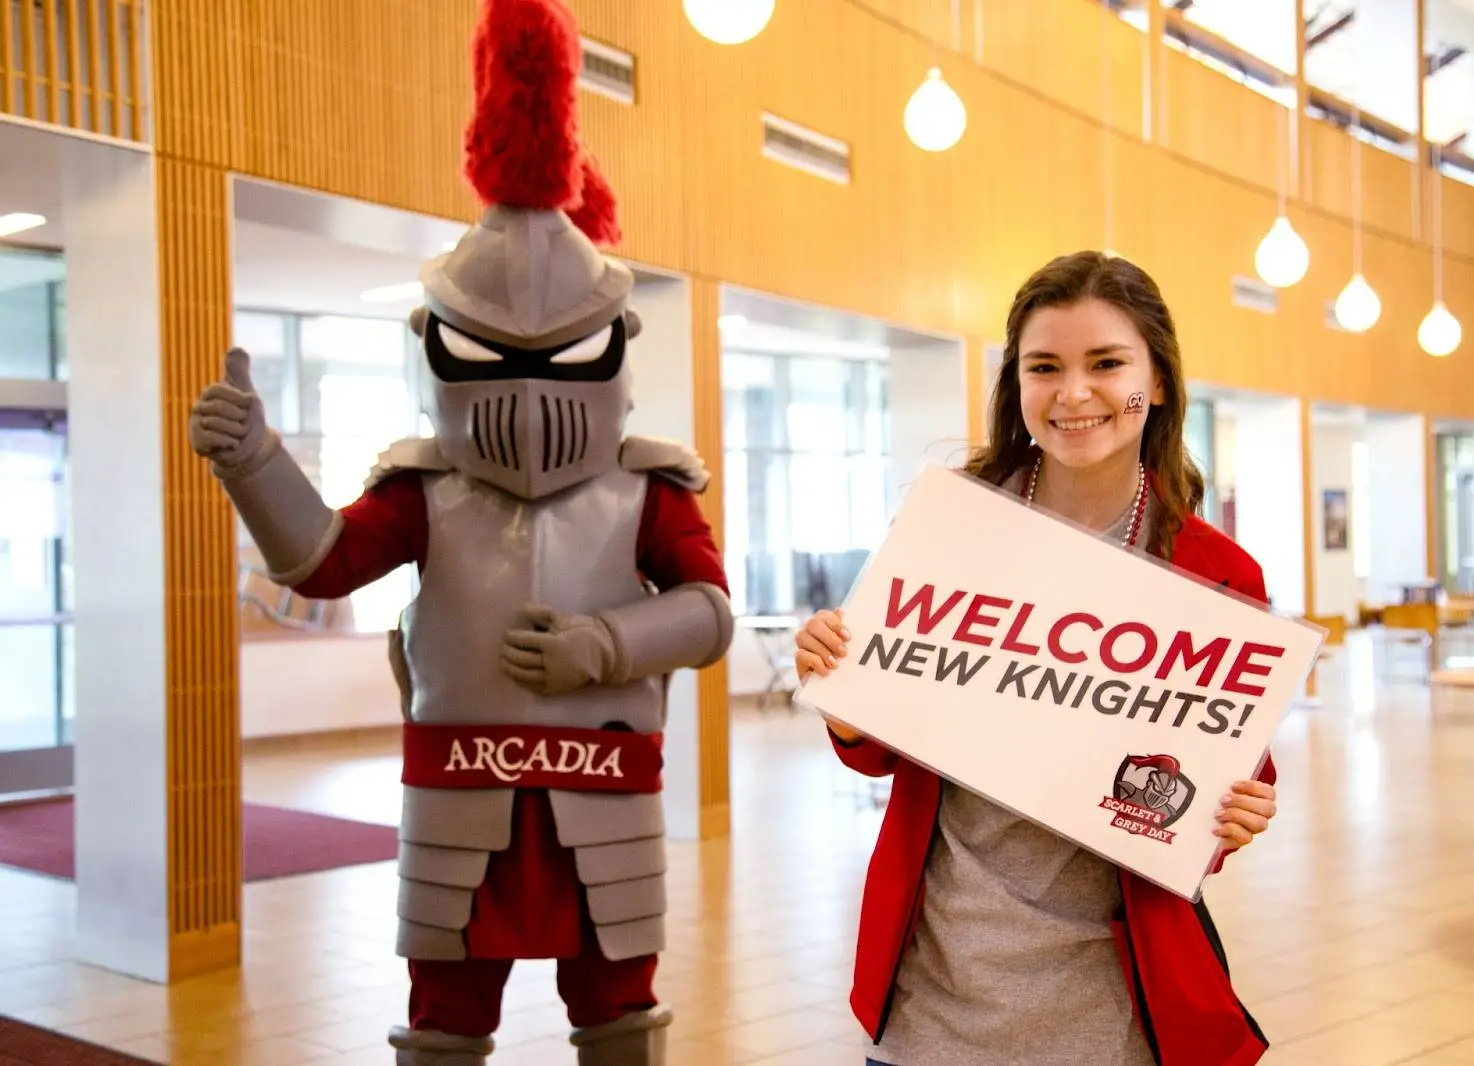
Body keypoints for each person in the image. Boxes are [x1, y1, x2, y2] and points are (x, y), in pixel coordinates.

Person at [186, 2, 732, 1063]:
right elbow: (324, 560)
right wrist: (255, 461)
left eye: (562, 358)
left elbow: (708, 613)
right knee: (445, 1007)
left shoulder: (646, 488)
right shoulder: (425, 488)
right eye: (491, 357)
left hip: (602, 785)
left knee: (619, 1001)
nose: (528, 391)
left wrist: (605, 645)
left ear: (610, 349)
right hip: (462, 790)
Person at [795, 251, 1279, 1066]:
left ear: (1156, 383)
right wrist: (844, 696)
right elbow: (878, 746)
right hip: (935, 989)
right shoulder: (950, 527)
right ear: (1016, 385)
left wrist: (1240, 810)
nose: (1074, 393)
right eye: (1044, 367)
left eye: (1107, 364)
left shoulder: (1217, 571)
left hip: (1118, 1002)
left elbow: (1225, 778)